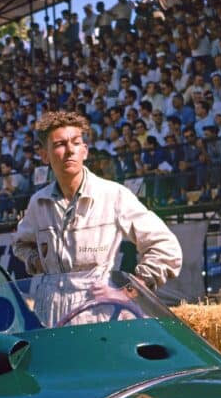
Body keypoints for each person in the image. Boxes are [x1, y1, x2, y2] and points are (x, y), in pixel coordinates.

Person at [11, 111, 182, 324]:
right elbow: (20, 244)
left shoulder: (113, 195)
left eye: (76, 143)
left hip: (97, 312)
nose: (70, 151)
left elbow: (166, 247)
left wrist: (129, 291)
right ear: (45, 155)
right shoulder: (39, 202)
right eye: (60, 144)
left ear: (85, 150)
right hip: (49, 313)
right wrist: (37, 262)